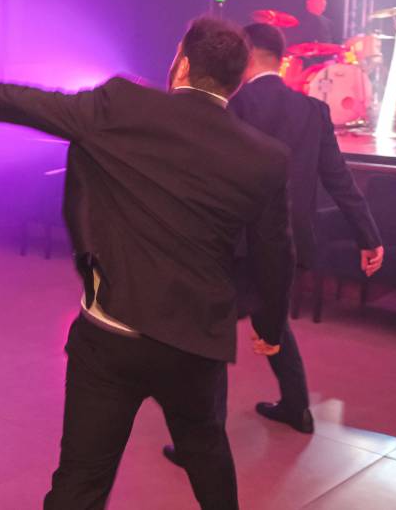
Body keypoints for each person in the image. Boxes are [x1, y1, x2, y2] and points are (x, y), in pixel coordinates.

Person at [0, 17, 295, 510]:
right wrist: (270, 328)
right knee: (207, 453)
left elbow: (32, 104)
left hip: (112, 336)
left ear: (182, 65)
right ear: (236, 83)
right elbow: (276, 254)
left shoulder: (123, 106)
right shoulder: (265, 157)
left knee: (81, 481)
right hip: (194, 343)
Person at [159, 24, 384, 461]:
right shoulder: (312, 110)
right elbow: (339, 180)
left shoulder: (232, 106)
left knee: (213, 334)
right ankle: (297, 408)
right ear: (282, 59)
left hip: (237, 243)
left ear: (245, 56)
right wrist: (368, 236)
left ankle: (203, 444)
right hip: (289, 244)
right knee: (272, 319)